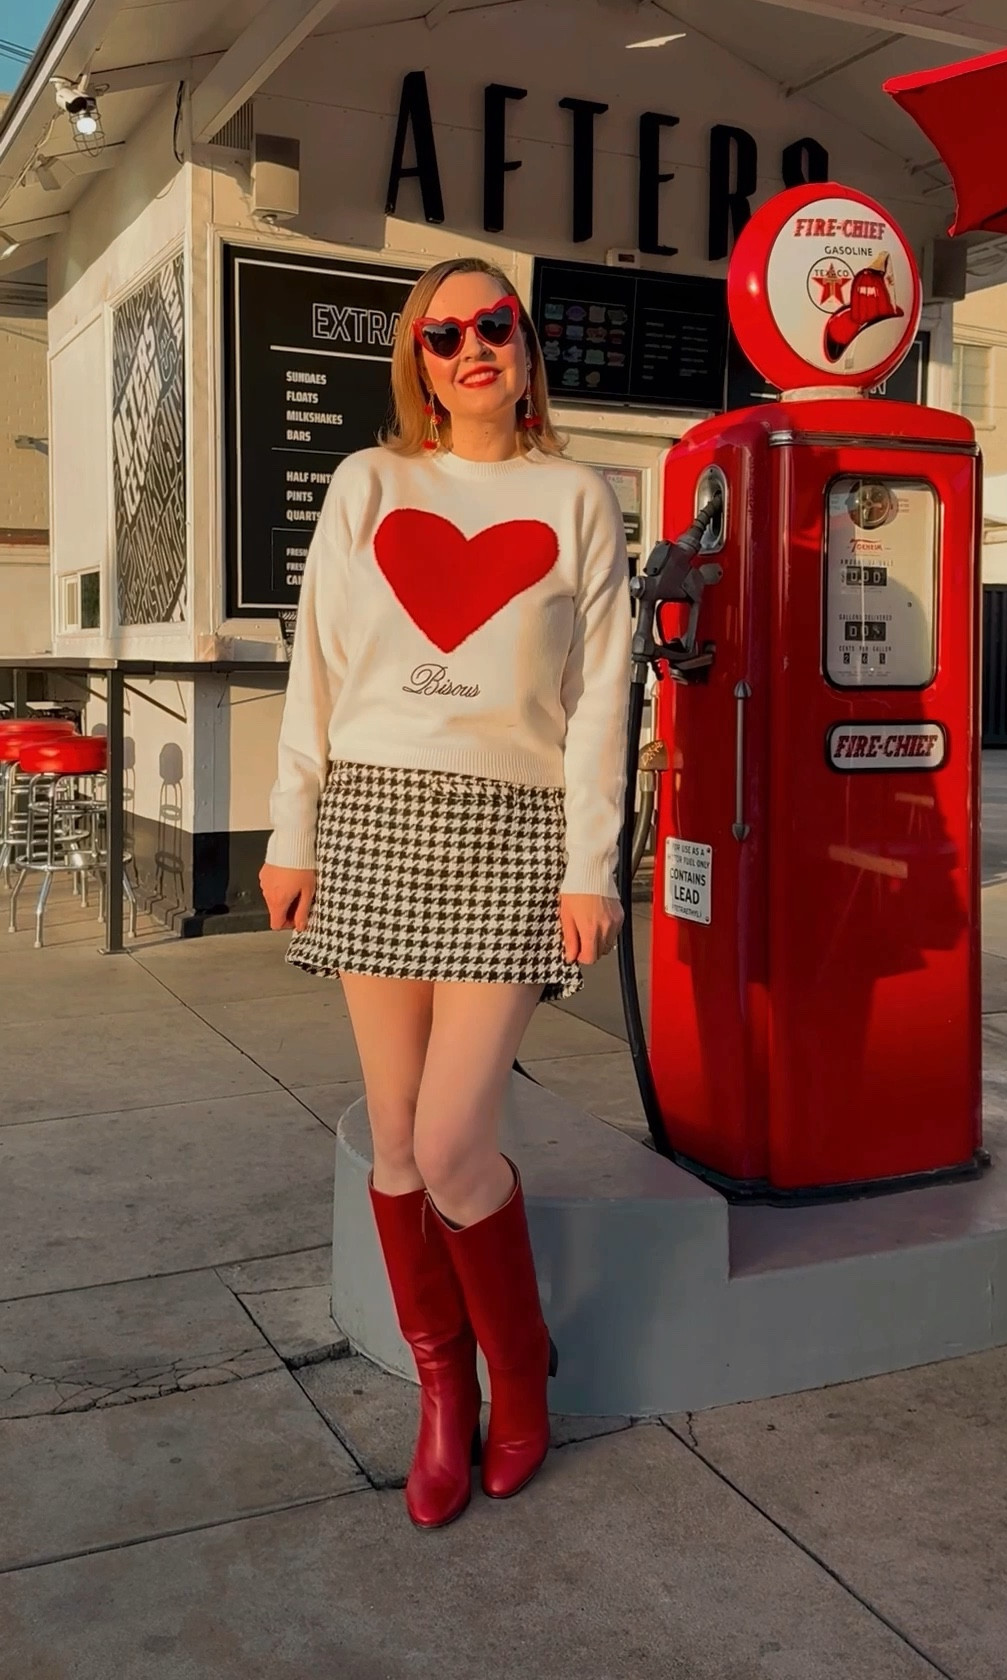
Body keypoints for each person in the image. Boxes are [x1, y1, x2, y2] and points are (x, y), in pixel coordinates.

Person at [259, 257, 631, 1530]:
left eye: (494, 324)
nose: (473, 345)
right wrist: (292, 829)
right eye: (443, 332)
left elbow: (601, 697)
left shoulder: (576, 496)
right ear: (416, 360)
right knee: (397, 1139)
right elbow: (314, 666)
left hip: (514, 830)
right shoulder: (371, 483)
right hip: (372, 817)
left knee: (457, 1142)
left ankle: (517, 1371)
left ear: (526, 347)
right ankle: (442, 1390)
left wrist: (592, 862)